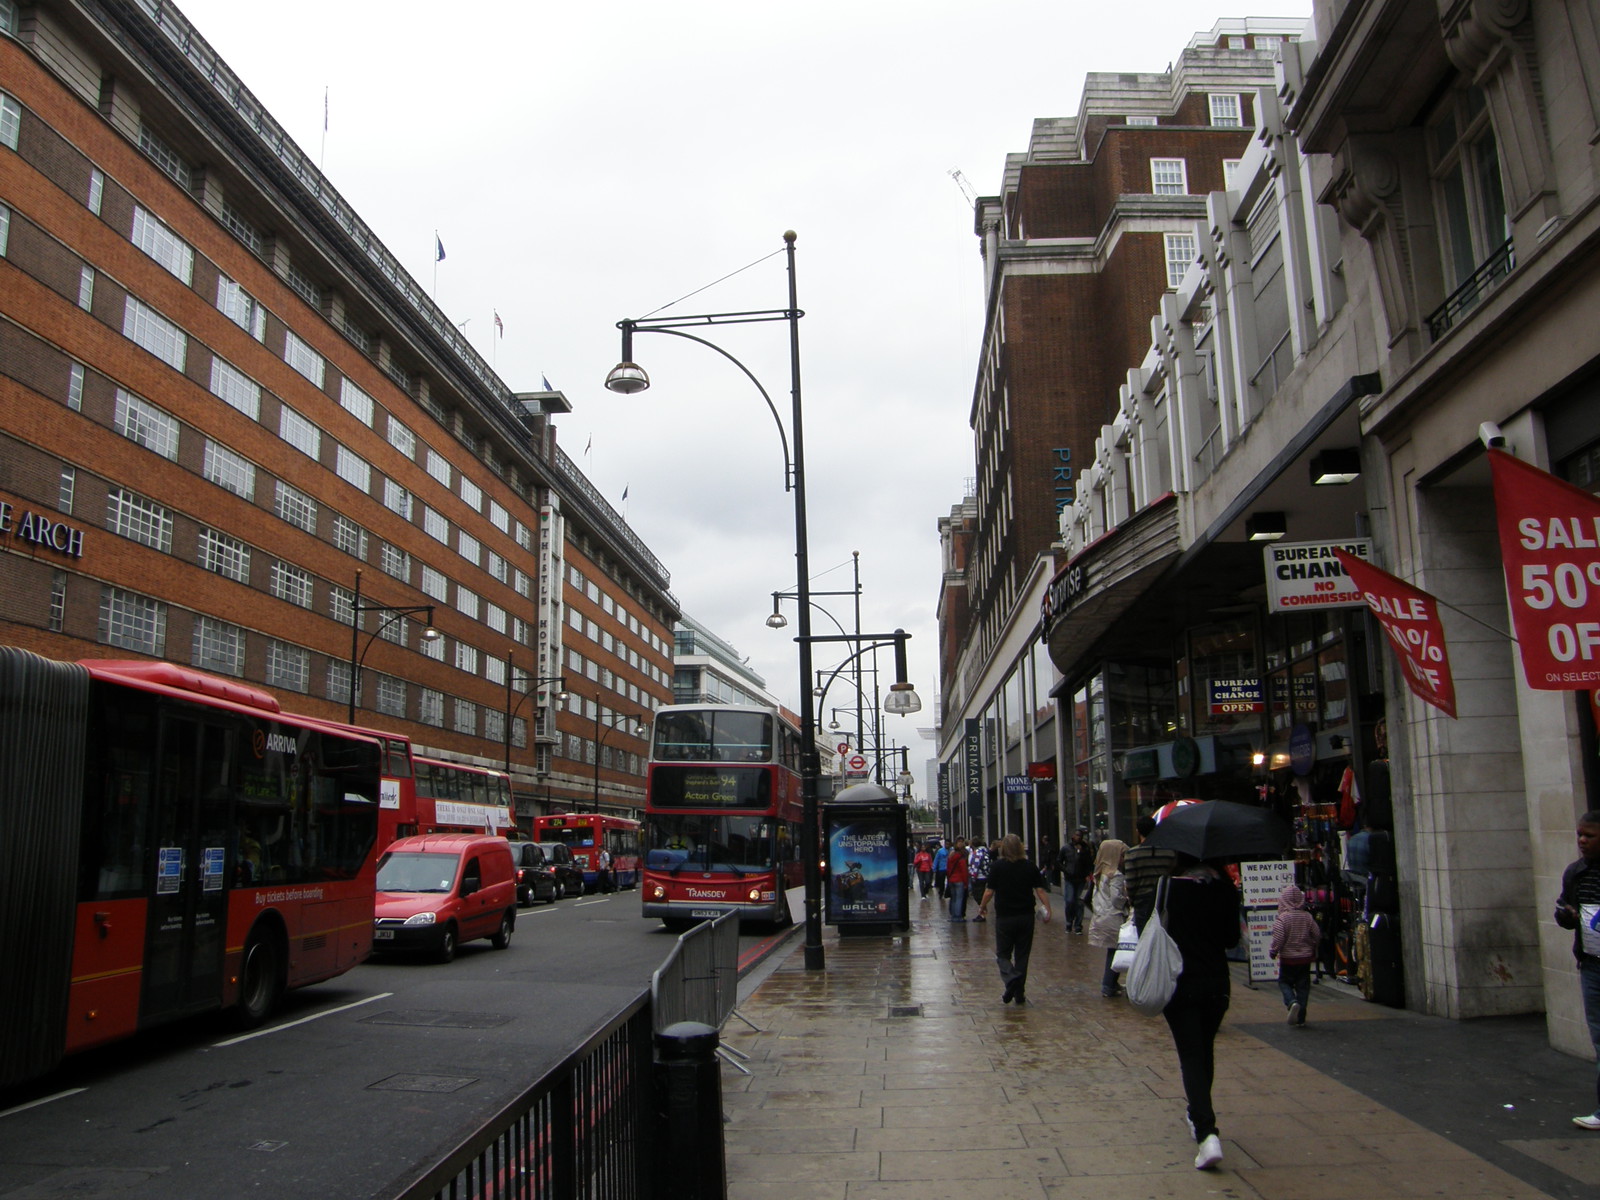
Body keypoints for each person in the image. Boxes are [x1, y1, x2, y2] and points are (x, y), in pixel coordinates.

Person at [1134, 855, 1241, 1171]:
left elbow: (1147, 924)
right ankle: (1198, 1115)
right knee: (1204, 1050)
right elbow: (1232, 940)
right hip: (1216, 983)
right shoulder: (1225, 890)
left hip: (1179, 981)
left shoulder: (1168, 888)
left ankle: (1206, 1133)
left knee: (1191, 1055)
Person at [1554, 809, 1600, 1130]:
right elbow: (1562, 911)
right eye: (1579, 835)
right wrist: (1567, 916)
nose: (1582, 841)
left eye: (1589, 835)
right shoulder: (1576, 873)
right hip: (1593, 965)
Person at [977, 833, 1051, 1005]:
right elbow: (1040, 890)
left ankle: (1011, 978)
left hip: (1005, 916)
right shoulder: (1030, 866)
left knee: (1003, 954)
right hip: (1026, 916)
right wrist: (1048, 907)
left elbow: (989, 891)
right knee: (1022, 955)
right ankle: (1019, 992)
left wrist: (982, 906)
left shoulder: (997, 867)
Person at [1269, 882, 1320, 1026]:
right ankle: (1301, 1018)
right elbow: (1316, 934)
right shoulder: (1307, 917)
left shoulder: (1283, 918)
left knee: (1284, 982)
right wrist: (1313, 946)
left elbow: (1278, 938)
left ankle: (1292, 1002)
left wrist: (1274, 951)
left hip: (1288, 959)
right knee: (1303, 986)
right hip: (1305, 958)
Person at [1086, 838, 1128, 998]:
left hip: (1102, 915)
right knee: (1115, 951)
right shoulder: (1115, 875)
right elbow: (1117, 898)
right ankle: (1108, 984)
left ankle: (1110, 983)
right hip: (1113, 916)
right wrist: (1126, 897)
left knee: (1113, 950)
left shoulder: (1099, 874)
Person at [1122, 814, 1180, 912]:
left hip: (1142, 899)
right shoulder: (1170, 851)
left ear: (1138, 831)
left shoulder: (1132, 854)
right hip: (1164, 897)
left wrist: (1132, 900)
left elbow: (1131, 882)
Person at [1063, 830, 1094, 933]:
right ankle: (1069, 922)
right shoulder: (1066, 848)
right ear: (1073, 836)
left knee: (1079, 902)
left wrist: (1088, 874)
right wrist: (1066, 870)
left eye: (1080, 836)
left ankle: (1078, 925)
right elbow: (1059, 861)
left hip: (1081, 879)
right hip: (1070, 879)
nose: (1078, 837)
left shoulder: (1085, 848)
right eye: (1076, 835)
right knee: (1070, 900)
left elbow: (1089, 862)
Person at [947, 837, 971, 921]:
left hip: (951, 879)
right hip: (959, 879)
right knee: (959, 899)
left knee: (953, 898)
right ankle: (958, 916)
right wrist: (966, 883)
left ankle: (953, 915)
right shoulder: (961, 857)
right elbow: (964, 871)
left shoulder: (951, 856)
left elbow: (948, 868)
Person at [968, 838, 991, 921]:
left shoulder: (977, 852)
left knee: (978, 895)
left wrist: (973, 876)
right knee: (981, 894)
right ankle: (982, 912)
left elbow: (975, 865)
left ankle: (982, 913)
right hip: (985, 876)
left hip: (979, 877)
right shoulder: (985, 850)